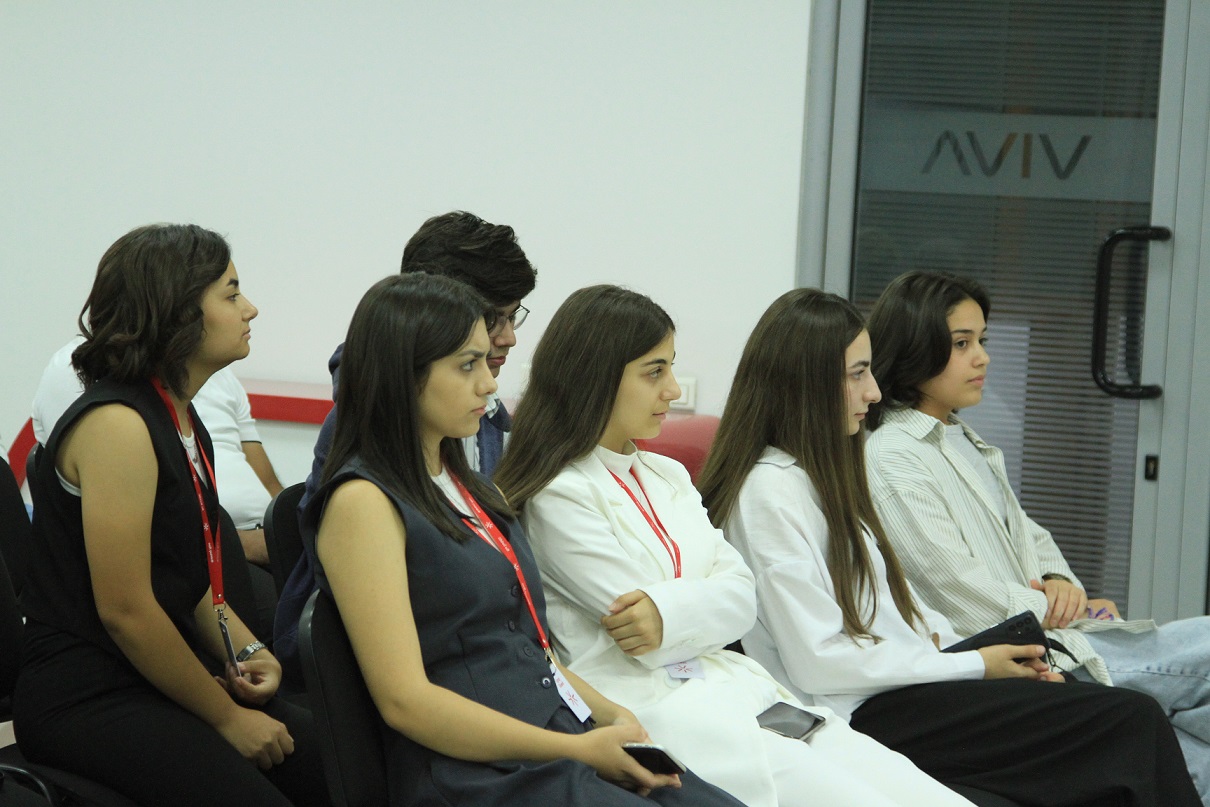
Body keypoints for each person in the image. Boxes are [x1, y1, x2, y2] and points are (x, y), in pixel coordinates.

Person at [697, 287, 1201, 807]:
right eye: (857, 374)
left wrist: (994, 660)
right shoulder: (769, 492)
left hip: (903, 686)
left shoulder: (817, 479)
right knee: (1130, 719)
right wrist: (977, 664)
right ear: (804, 382)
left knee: (1106, 728)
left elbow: (906, 619)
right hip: (860, 710)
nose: (873, 392)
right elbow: (819, 663)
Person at [495, 284, 977, 807]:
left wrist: (674, 610)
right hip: (659, 709)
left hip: (746, 693)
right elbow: (642, 635)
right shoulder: (558, 494)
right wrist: (707, 602)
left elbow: (742, 598)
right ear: (594, 377)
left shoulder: (667, 474)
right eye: (654, 372)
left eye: (671, 368)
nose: (672, 390)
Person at [302, 272, 742, 807]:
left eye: (484, 362)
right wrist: (576, 749)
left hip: (551, 734)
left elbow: (526, 647)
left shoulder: (469, 484)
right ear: (403, 376)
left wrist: (611, 716)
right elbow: (406, 703)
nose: (489, 384)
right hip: (475, 771)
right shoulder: (363, 503)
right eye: (467, 365)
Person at [864, 269, 1210, 802]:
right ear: (915, 348)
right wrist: (1066, 609)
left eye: (982, 340)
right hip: (1032, 659)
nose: (983, 358)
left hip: (1060, 635)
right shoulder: (892, 456)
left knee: (1194, 755)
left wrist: (1058, 580)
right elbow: (959, 590)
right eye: (962, 344)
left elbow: (1033, 536)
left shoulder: (961, 438)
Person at [13, 224, 327, 807]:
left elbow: (187, 578)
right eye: (231, 294)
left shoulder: (180, 416)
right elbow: (127, 611)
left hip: (158, 674)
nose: (250, 309)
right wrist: (227, 719)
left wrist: (248, 653)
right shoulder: (118, 426)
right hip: (89, 695)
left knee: (339, 770)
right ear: (179, 312)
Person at [273, 210, 536, 668]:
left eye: (514, 317)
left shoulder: (478, 413)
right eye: (496, 318)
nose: (509, 337)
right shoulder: (365, 431)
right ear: (432, 311)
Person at [33, 338, 284, 629]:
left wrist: (285, 537)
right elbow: (142, 554)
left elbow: (269, 484)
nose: (249, 314)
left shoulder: (213, 384)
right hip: (209, 550)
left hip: (246, 543)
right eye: (229, 300)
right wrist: (240, 544)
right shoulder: (95, 392)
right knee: (289, 622)